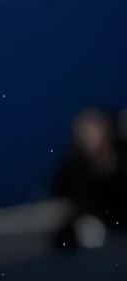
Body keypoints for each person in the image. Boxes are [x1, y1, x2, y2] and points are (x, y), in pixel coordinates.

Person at [51, 105, 127, 250]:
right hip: (98, 245)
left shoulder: (122, 160)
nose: (88, 136)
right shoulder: (71, 173)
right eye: (83, 131)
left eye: (92, 128)